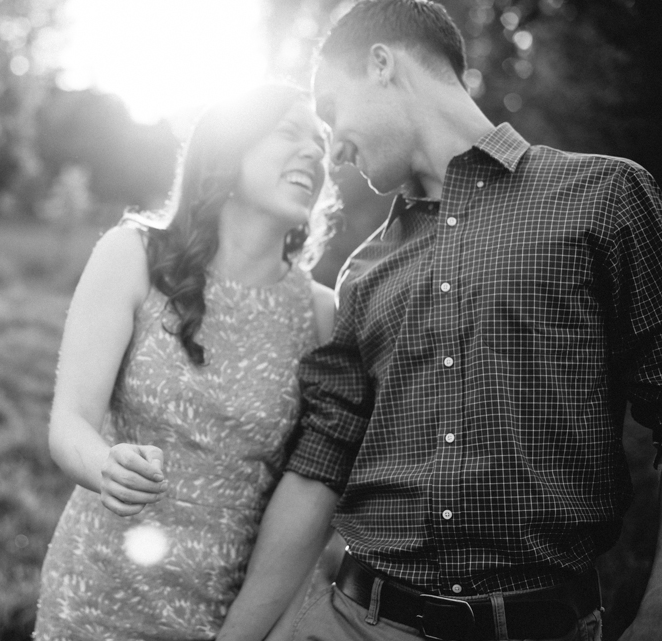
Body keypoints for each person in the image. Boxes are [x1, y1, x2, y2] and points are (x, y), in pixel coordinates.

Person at [216, 1, 662, 640]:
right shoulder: (363, 273)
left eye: (332, 111)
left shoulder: (604, 198)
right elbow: (320, 465)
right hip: (356, 622)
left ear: (381, 65)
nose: (333, 150)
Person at [33, 83, 342, 640]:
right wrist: (105, 465)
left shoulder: (320, 315)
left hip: (224, 616)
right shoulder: (131, 256)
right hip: (96, 593)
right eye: (291, 133)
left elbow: (312, 503)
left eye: (321, 142)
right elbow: (69, 423)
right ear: (229, 148)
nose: (315, 153)